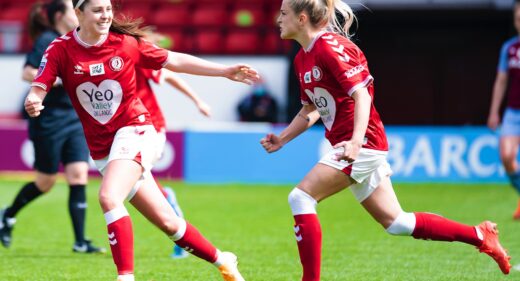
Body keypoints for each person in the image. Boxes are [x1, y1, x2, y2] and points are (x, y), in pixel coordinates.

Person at [260, 1, 512, 280]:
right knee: (397, 223)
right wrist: (282, 139)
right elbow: (311, 110)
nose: (278, 19)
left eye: (284, 13)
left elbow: (362, 95)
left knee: (301, 197)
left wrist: (356, 142)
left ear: (302, 18)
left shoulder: (330, 47)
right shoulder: (301, 58)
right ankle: (480, 235)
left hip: (360, 143)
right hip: (350, 145)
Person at [24, 0, 259, 280]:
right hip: (102, 148)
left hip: (136, 129)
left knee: (109, 198)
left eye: (108, 9)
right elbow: (39, 85)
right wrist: (34, 99)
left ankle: (126, 277)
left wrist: (223, 71)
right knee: (169, 223)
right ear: (78, 13)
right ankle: (223, 260)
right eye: (98, 10)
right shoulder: (60, 48)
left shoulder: (126, 43)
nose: (105, 15)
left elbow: (174, 61)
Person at [0, 0, 104, 254]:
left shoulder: (78, 39)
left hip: (76, 119)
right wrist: (56, 79)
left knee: (79, 175)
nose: (78, 15)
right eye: (72, 10)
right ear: (60, 15)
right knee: (45, 181)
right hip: (50, 120)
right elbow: (27, 73)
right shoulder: (49, 39)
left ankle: (80, 241)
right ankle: (7, 215)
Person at [135, 32, 212, 258]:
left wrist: (198, 101)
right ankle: (169, 208)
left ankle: (174, 218)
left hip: (149, 127)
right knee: (133, 183)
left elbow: (171, 77)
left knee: (128, 182)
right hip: (127, 130)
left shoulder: (135, 60)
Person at [487, 0, 520, 220]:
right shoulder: (509, 48)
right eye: (518, 19)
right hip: (512, 112)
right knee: (507, 156)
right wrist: (494, 111)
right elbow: (501, 80)